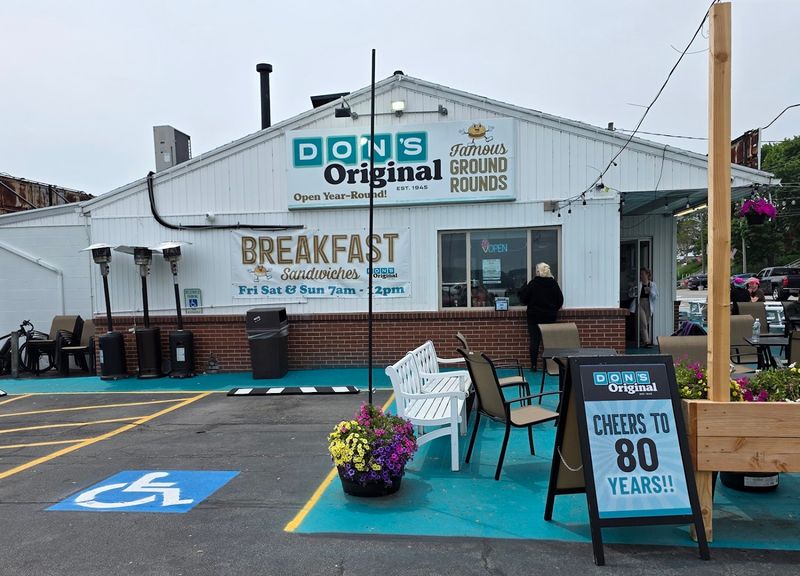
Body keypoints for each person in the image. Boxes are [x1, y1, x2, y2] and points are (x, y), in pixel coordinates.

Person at [518, 262, 564, 371]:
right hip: (549, 317)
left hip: (534, 317)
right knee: (548, 341)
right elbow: (560, 300)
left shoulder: (533, 284)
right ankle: (548, 366)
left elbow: (523, 299)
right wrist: (553, 309)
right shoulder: (553, 284)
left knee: (535, 341)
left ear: (538, 272)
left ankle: (533, 365)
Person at [638, 267, 659, 347]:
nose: (641, 276)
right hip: (640, 304)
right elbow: (633, 294)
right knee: (643, 323)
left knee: (646, 323)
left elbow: (655, 297)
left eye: (642, 274)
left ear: (647, 274)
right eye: (640, 274)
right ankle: (646, 341)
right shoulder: (639, 284)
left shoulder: (652, 284)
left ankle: (642, 339)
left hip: (648, 304)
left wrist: (650, 291)